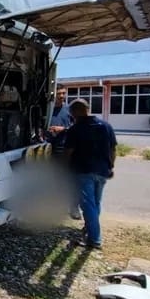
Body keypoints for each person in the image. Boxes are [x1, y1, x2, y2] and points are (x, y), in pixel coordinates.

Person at [64, 98, 117, 250]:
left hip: (83, 171)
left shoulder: (75, 129)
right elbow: (113, 149)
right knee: (95, 203)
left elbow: (68, 152)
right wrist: (111, 166)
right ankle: (89, 229)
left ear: (75, 112)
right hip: (102, 171)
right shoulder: (106, 126)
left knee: (88, 205)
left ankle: (95, 240)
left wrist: (65, 167)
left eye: (71, 112)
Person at [47, 84, 82, 220]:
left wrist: (63, 129)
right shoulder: (47, 109)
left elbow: (78, 126)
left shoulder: (69, 110)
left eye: (63, 93)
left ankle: (74, 208)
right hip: (48, 149)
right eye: (59, 93)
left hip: (65, 148)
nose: (62, 96)